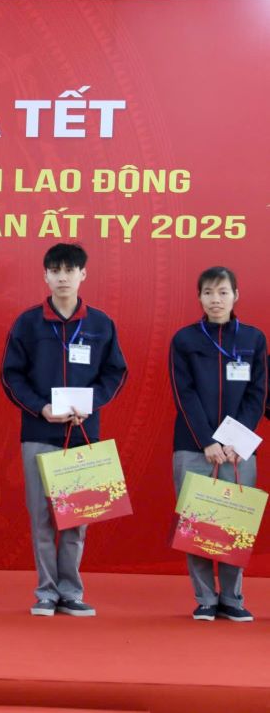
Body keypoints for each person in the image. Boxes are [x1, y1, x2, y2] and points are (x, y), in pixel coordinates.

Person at [1, 243, 127, 617]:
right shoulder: (27, 323)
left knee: (76, 519)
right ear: (45, 275)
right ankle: (45, 591)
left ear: (83, 274)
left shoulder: (101, 324)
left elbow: (115, 372)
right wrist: (40, 408)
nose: (62, 277)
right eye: (54, 270)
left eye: (69, 270)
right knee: (41, 517)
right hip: (40, 433)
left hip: (84, 435)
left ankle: (71, 591)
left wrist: (92, 403)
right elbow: (11, 376)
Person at [168, 266, 265, 622]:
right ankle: (205, 598)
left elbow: (257, 394)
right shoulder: (185, 339)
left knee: (234, 523)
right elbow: (184, 393)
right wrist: (207, 441)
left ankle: (233, 598)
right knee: (197, 520)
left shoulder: (254, 339)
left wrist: (235, 441)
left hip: (239, 450)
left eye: (223, 292)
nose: (215, 299)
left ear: (236, 295)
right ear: (199, 298)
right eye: (208, 292)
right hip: (194, 445)